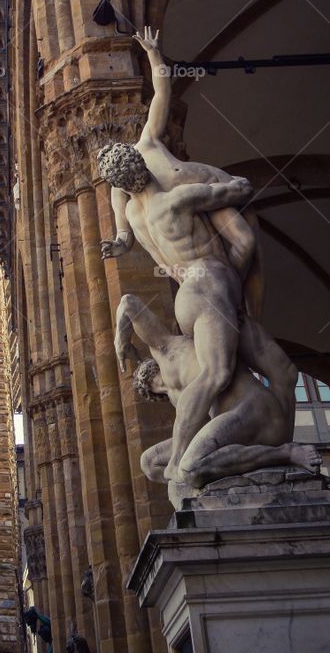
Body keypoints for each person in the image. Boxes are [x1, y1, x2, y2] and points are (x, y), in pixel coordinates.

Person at [100, 27, 282, 482]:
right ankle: (185, 462)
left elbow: (122, 236)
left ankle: (211, 455)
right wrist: (153, 54)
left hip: (185, 291)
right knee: (217, 375)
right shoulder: (170, 193)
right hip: (211, 279)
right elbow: (162, 95)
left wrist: (119, 243)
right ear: (139, 163)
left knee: (226, 378)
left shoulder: (127, 206)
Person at [114, 291, 318, 503]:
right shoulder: (175, 396)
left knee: (190, 467)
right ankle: (201, 490)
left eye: (149, 377)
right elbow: (197, 428)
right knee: (149, 462)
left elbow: (128, 303)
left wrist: (120, 339)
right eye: (150, 386)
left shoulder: (169, 348)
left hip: (253, 408)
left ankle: (285, 453)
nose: (152, 382)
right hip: (232, 425)